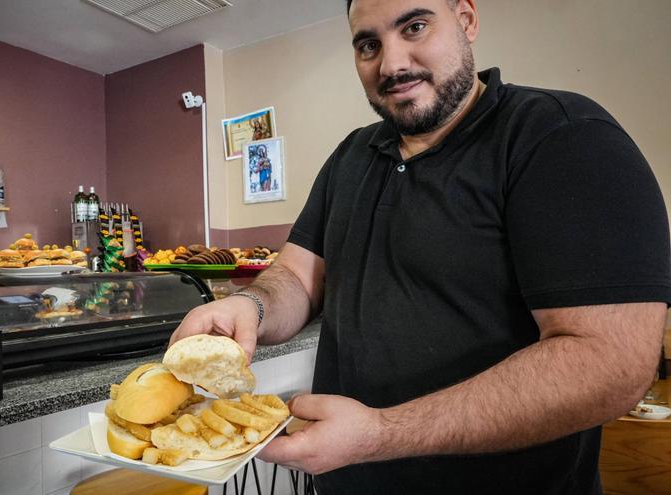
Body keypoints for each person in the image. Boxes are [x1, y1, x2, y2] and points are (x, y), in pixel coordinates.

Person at [169, 0, 671, 493]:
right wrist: (250, 306)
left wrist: (381, 435)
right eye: (368, 45)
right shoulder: (350, 156)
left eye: (414, 27)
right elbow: (299, 277)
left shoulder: (560, 136)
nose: (391, 63)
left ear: (467, 20)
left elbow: (609, 363)